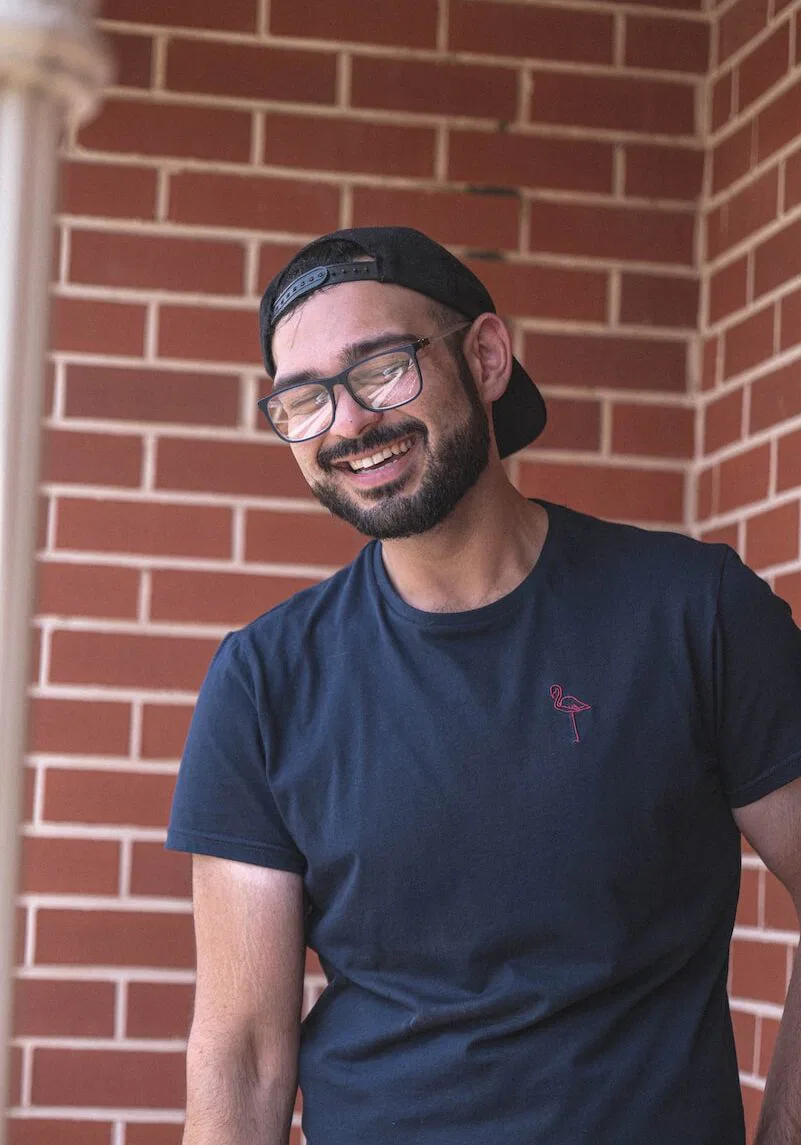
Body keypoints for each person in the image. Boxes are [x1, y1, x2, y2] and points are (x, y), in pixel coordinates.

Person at [166, 226, 801, 1145]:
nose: (345, 422)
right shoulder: (266, 680)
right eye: (301, 399)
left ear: (486, 357)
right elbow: (243, 1053)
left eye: (380, 367)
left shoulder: (693, 613)